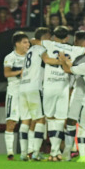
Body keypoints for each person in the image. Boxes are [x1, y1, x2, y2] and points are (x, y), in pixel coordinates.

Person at [42, 26, 85, 162]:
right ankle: (56, 152)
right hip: (63, 86)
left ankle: (53, 152)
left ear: (53, 36)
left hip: (49, 85)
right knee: (61, 119)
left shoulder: (48, 44)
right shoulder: (74, 49)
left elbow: (35, 41)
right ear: (67, 38)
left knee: (50, 118)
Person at [20, 27, 60, 161]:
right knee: (41, 119)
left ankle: (27, 151)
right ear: (43, 38)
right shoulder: (40, 49)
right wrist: (63, 62)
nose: (50, 40)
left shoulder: (29, 51)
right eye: (48, 37)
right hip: (33, 86)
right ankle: (35, 152)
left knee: (31, 119)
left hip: (23, 86)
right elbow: (48, 60)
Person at [62, 31, 85, 161]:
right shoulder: (79, 55)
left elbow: (70, 70)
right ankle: (68, 151)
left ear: (84, 43)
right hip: (79, 91)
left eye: (76, 41)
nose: (74, 44)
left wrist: (64, 61)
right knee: (71, 120)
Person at [3, 31, 30, 160]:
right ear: (17, 44)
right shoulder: (10, 57)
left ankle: (27, 151)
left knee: (27, 121)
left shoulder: (30, 57)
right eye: (25, 42)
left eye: (28, 42)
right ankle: (10, 152)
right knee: (11, 122)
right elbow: (6, 73)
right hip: (14, 92)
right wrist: (20, 72)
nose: (28, 44)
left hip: (27, 92)